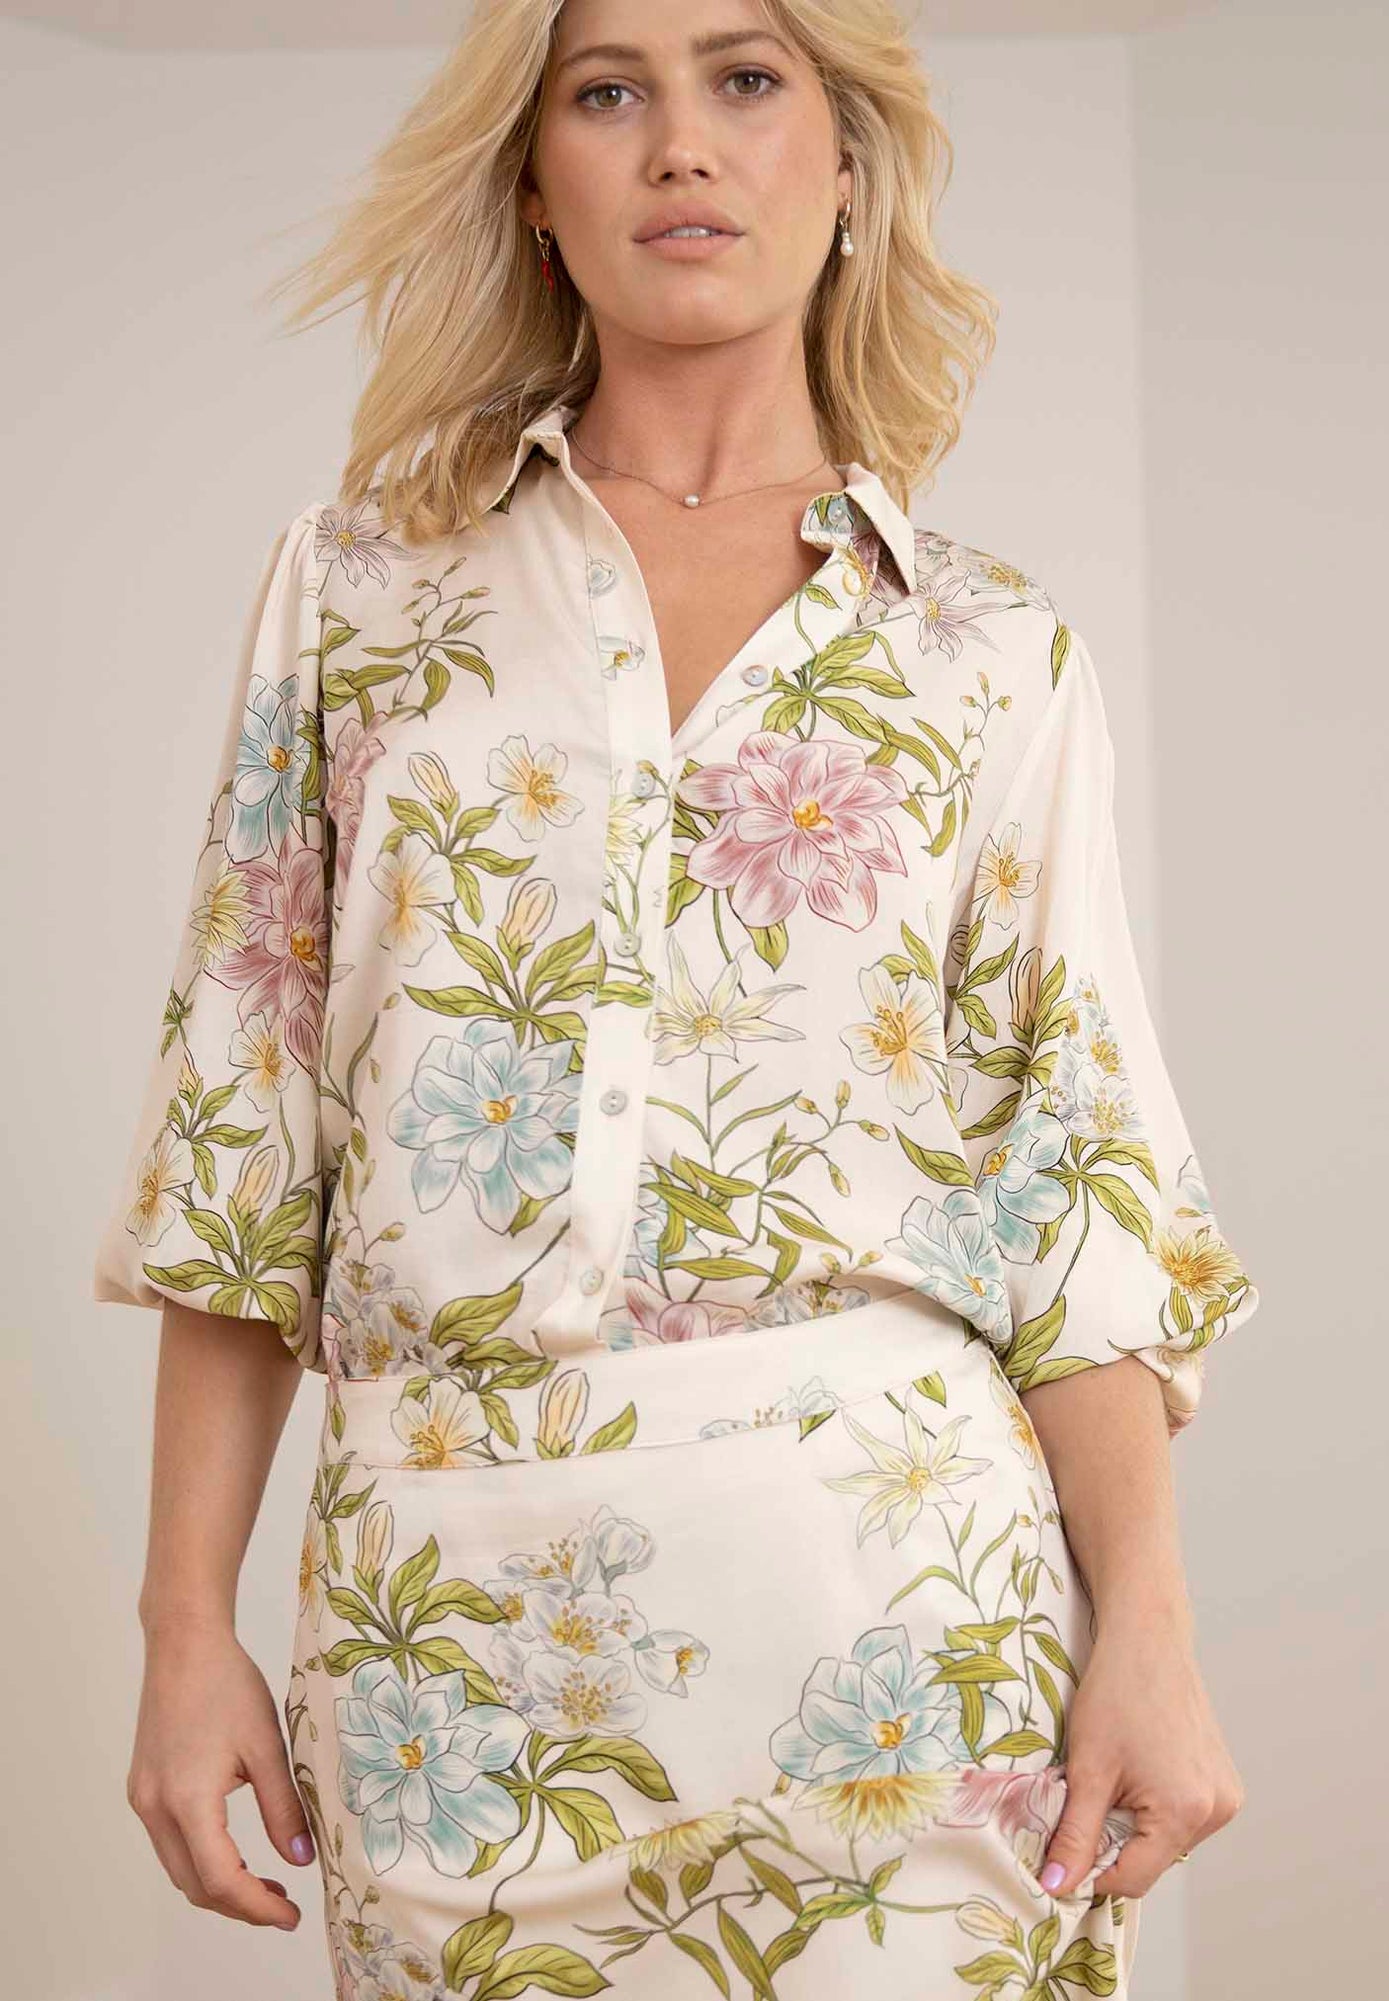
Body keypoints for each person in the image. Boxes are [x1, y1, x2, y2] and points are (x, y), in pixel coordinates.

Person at [92, 1, 1262, 1994]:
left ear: (846, 166)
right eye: (608, 92)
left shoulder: (987, 650)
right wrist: (181, 1626)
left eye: (746, 80)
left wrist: (1147, 1619)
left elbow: (1069, 1175)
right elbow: (244, 1128)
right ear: (536, 191)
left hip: (904, 1624)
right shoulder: (363, 590)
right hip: (455, 1661)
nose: (682, 146)